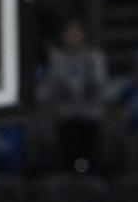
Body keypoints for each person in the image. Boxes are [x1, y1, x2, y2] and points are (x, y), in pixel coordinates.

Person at [39, 19, 108, 173]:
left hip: (89, 117)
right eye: (69, 33)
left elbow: (98, 86)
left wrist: (74, 82)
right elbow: (49, 91)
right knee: (66, 163)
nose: (73, 37)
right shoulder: (58, 59)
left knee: (92, 163)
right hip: (66, 118)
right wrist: (57, 66)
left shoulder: (95, 57)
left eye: (76, 33)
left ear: (84, 35)